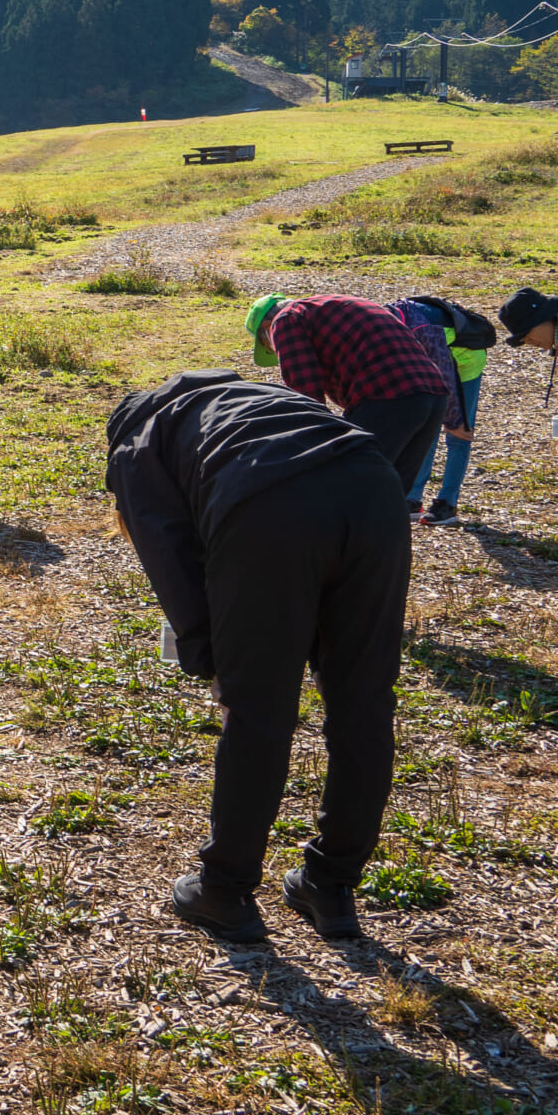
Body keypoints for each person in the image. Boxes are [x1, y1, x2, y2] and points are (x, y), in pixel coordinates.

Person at [105, 369, 412, 943]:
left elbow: (170, 557)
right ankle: (333, 882)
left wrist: (212, 661)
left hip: (269, 504)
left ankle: (224, 888)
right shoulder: (251, 396)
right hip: (375, 488)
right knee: (364, 700)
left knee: (259, 711)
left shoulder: (137, 438)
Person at [246, 293, 459, 492]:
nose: (274, 349)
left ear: (267, 326)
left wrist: (305, 449)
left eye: (267, 344)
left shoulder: (285, 320)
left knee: (350, 483)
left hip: (388, 395)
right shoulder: (331, 304)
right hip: (433, 394)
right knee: (393, 493)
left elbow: (306, 391)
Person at [392, 297, 493, 526]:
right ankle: (412, 498)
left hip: (466, 360)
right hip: (431, 361)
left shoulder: (422, 329)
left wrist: (454, 420)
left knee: (459, 434)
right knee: (424, 428)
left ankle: (447, 503)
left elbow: (445, 374)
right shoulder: (389, 323)